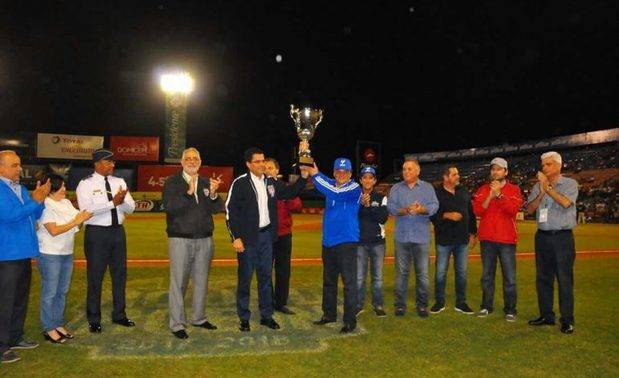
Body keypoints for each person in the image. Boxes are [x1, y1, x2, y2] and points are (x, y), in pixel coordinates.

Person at [225, 146, 309, 332]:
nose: (262, 164)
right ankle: (244, 317)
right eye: (258, 161)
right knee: (245, 279)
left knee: (265, 278)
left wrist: (303, 177)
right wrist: (236, 237)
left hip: (266, 237)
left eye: (263, 161)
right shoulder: (240, 183)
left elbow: (289, 192)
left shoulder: (270, 182)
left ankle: (266, 315)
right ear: (248, 164)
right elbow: (231, 212)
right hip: (247, 239)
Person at [162, 148, 223, 339]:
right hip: (180, 238)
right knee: (178, 283)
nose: (191, 161)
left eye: (195, 158)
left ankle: (199, 318)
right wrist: (188, 194)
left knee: (201, 282)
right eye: (187, 158)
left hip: (204, 238)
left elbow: (217, 208)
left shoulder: (206, 181)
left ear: (200, 161)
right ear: (181, 162)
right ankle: (177, 324)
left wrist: (213, 194)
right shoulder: (172, 182)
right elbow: (171, 208)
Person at [76, 148, 136, 333]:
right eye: (108, 162)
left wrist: (122, 201)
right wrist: (113, 203)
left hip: (118, 232)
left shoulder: (119, 181)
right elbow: (86, 210)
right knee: (95, 277)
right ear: (97, 164)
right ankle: (94, 318)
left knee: (120, 275)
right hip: (96, 234)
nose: (112, 165)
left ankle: (120, 314)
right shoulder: (85, 184)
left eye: (113, 162)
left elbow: (131, 208)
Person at [0, 150, 50, 364]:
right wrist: (34, 201)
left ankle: (15, 337)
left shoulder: (19, 188)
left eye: (19, 165)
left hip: (23, 252)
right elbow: (10, 216)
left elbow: (34, 214)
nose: (19, 169)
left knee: (20, 300)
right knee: (5, 302)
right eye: (14, 165)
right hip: (7, 254)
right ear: (1, 167)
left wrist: (40, 201)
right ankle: (2, 346)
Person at [525, 151, 578, 334]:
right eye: (543, 165)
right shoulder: (538, 186)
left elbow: (565, 203)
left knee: (564, 279)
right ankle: (546, 315)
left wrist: (547, 188)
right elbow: (530, 209)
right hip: (542, 236)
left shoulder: (570, 184)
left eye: (548, 164)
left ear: (558, 165)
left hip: (562, 237)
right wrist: (541, 191)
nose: (544, 168)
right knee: (543, 278)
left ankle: (567, 320)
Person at [37, 174, 92, 344]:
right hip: (49, 253)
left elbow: (80, 220)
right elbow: (53, 230)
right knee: (50, 292)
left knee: (62, 291)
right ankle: (48, 327)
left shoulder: (66, 203)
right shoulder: (45, 204)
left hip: (66, 252)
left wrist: (79, 220)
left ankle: (58, 323)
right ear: (52, 188)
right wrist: (76, 221)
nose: (64, 189)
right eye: (61, 186)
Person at [309, 157, 361, 333]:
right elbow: (326, 184)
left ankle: (349, 321)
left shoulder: (354, 188)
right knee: (329, 282)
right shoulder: (330, 184)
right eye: (338, 171)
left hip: (346, 242)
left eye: (345, 172)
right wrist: (306, 158)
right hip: (329, 241)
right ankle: (329, 314)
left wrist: (315, 175)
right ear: (334, 172)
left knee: (349, 283)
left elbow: (333, 192)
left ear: (350, 174)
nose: (341, 175)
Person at [472, 157, 523, 321]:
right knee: (487, 276)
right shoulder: (482, 189)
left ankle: (510, 309)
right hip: (487, 238)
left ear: (506, 172)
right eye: (493, 169)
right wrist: (490, 196)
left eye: (499, 169)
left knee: (509, 278)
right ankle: (486, 306)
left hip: (506, 239)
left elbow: (513, 210)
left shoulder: (514, 189)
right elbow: (478, 211)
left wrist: (500, 195)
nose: (495, 172)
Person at [387, 158, 439, 318]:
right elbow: (390, 206)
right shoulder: (396, 188)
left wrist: (422, 209)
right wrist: (403, 210)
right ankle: (400, 306)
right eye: (404, 169)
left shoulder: (427, 188)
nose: (406, 172)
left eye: (409, 169)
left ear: (417, 171)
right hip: (402, 237)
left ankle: (422, 305)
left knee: (422, 274)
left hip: (421, 237)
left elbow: (434, 206)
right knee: (401, 274)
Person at [430, 165, 477, 315]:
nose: (458, 176)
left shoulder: (463, 191)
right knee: (440, 273)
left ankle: (461, 302)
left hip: (462, 239)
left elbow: (471, 212)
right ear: (446, 177)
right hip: (444, 239)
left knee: (462, 273)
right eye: (455, 174)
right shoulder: (436, 193)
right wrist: (446, 215)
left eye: (458, 174)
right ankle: (439, 301)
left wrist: (473, 233)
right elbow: (432, 215)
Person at [265, 158, 303, 315]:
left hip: (284, 235)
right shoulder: (259, 188)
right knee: (265, 270)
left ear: (277, 171)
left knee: (283, 270)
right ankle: (266, 301)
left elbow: (298, 206)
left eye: (271, 168)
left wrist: (286, 196)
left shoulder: (286, 188)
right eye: (265, 167)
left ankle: (280, 302)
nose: (267, 170)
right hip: (266, 235)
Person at [356, 166, 389, 317]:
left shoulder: (381, 197)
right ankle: (358, 305)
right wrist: (360, 205)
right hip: (360, 242)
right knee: (359, 277)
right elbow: (352, 217)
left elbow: (383, 218)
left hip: (377, 243)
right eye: (365, 177)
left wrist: (368, 206)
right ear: (361, 180)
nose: (367, 180)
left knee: (377, 278)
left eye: (371, 177)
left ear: (374, 180)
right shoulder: (355, 197)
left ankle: (378, 305)